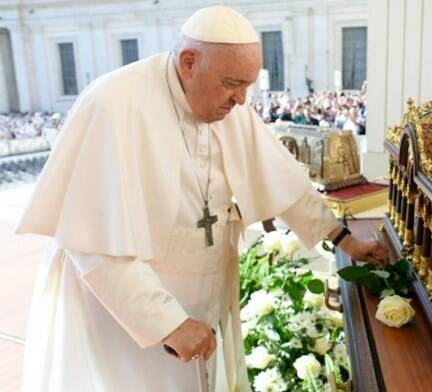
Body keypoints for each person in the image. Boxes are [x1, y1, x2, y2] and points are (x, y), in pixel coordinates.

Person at [16, 6, 389, 392]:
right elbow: (93, 245)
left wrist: (344, 239)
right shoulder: (111, 104)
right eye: (232, 84)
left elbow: (282, 179)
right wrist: (167, 323)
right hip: (125, 319)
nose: (241, 100)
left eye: (247, 85)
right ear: (189, 62)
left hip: (201, 301)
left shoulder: (224, 105)